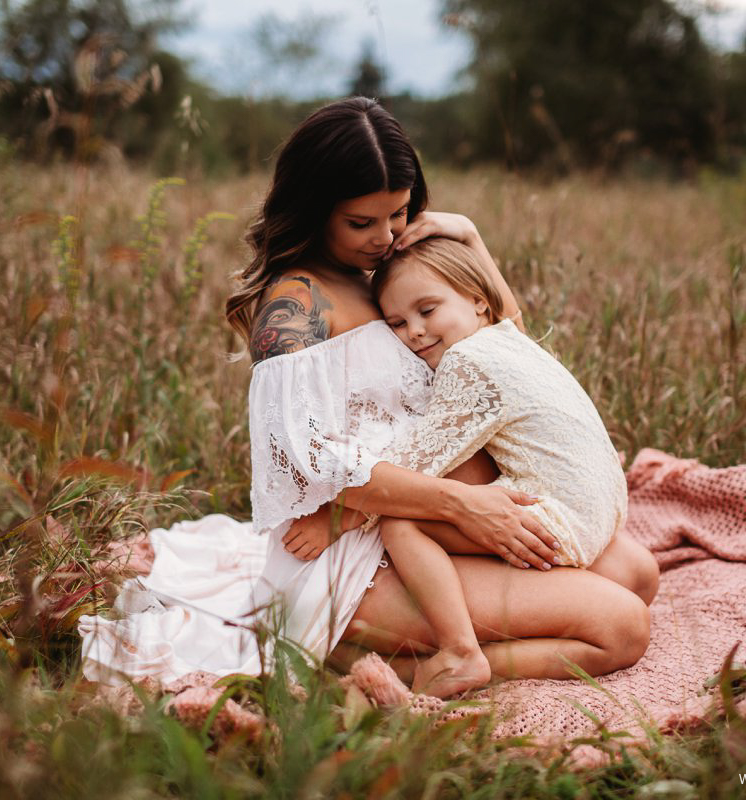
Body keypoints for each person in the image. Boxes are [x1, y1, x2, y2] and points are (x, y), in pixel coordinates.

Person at [79, 97, 657, 690]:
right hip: (364, 546)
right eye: (362, 223)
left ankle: (392, 645)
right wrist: (460, 504)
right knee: (622, 626)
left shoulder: (391, 273)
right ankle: (395, 662)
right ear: (315, 209)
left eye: (399, 214)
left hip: (450, 520)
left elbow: (505, 354)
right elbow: (303, 462)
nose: (385, 237)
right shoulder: (295, 307)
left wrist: (472, 240)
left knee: (638, 574)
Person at [335, 236, 626, 696]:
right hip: (607, 513)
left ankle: (460, 651)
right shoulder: (510, 339)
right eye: (397, 322)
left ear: (477, 301)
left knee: (402, 521)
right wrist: (469, 233)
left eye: (427, 311)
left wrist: (344, 517)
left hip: (554, 519)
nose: (414, 330)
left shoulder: (466, 361)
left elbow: (418, 464)